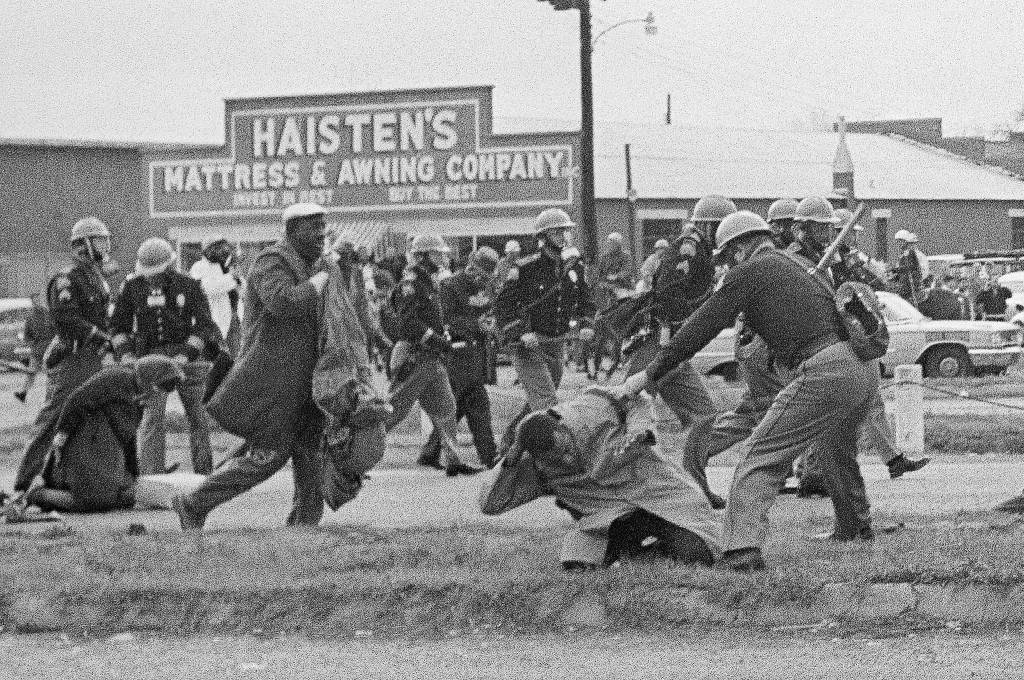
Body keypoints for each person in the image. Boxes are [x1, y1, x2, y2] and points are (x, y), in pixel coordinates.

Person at [613, 208, 883, 572]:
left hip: (824, 370)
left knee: (759, 456)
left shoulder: (749, 272)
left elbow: (698, 329)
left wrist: (648, 374)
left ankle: (741, 551)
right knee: (836, 451)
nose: (725, 265)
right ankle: (854, 526)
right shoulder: (797, 267)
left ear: (741, 247)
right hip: (861, 370)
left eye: (726, 256)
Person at [171, 203, 334, 531]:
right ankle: (194, 502)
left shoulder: (316, 265)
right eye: (312, 228)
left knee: (310, 454)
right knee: (268, 456)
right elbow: (284, 303)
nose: (320, 235)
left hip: (307, 381)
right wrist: (322, 279)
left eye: (323, 228)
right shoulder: (270, 262)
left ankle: (304, 528)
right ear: (290, 231)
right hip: (273, 381)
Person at [479, 387, 721, 570]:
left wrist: (639, 430)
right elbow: (491, 504)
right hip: (606, 521)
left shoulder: (592, 407)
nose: (564, 460)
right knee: (577, 566)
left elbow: (638, 396)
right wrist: (511, 457)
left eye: (564, 449)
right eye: (554, 458)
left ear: (561, 427)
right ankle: (632, 555)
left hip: (654, 494)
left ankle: (650, 552)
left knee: (700, 552)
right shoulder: (534, 464)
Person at [12, 217, 114, 497]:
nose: (106, 245)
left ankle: (70, 478)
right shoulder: (66, 278)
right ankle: (24, 482)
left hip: (93, 358)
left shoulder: (96, 275)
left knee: (89, 418)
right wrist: (98, 336)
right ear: (83, 244)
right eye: (99, 239)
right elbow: (66, 319)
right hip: (72, 357)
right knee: (55, 416)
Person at [10, 356, 185, 515]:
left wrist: (133, 474)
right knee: (93, 502)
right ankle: (38, 495)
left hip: (105, 452)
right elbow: (76, 399)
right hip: (86, 446)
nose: (159, 393)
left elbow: (128, 436)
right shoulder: (118, 377)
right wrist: (62, 434)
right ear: (149, 376)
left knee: (123, 498)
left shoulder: (139, 393)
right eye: (159, 386)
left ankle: (55, 495)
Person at [621, 195, 734, 430]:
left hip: (676, 348)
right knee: (625, 408)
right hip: (660, 342)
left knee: (705, 418)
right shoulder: (689, 249)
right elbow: (669, 294)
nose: (726, 234)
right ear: (707, 225)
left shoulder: (704, 251)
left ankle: (692, 467)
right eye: (721, 227)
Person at [110, 238, 222, 475]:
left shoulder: (189, 286)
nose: (151, 278)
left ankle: (204, 475)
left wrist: (186, 355)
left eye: (157, 273)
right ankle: (152, 475)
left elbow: (205, 327)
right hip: (150, 360)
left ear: (170, 267)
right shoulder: (132, 288)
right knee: (151, 420)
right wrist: (126, 355)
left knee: (198, 418)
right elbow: (118, 327)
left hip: (186, 358)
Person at [494, 208, 594, 453]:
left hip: (555, 344)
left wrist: (587, 324)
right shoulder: (526, 267)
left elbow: (586, 301)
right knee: (547, 402)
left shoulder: (572, 267)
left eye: (565, 231)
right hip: (529, 346)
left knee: (536, 404)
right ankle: (553, 458)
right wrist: (521, 332)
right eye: (557, 231)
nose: (563, 235)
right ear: (544, 235)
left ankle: (508, 446)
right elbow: (504, 306)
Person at [385, 233, 480, 476]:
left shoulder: (429, 281)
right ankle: (351, 457)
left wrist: (443, 336)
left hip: (431, 357)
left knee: (447, 408)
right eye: (437, 253)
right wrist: (436, 339)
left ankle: (454, 461)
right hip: (414, 357)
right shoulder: (412, 282)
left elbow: (430, 318)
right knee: (392, 411)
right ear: (424, 256)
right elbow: (408, 323)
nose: (442, 257)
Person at [421, 247, 501, 469]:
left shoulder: (487, 287)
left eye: (485, 275)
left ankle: (431, 451)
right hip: (458, 353)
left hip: (480, 353)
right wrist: (475, 325)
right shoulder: (450, 286)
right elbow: (446, 319)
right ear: (471, 266)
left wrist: (491, 325)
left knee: (459, 406)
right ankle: (489, 454)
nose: (481, 279)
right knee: (475, 403)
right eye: (479, 273)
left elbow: (492, 311)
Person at [189, 235, 242, 357]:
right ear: (208, 250)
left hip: (234, 317)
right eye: (217, 247)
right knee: (218, 357)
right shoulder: (199, 267)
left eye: (223, 247)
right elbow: (206, 288)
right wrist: (231, 278)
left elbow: (241, 289)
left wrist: (238, 279)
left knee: (236, 357)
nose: (222, 251)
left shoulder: (227, 267)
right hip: (214, 319)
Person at [13, 294, 54, 403]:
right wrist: (32, 343)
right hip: (37, 350)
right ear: (32, 303)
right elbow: (27, 336)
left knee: (50, 374)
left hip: (48, 350)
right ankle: (23, 393)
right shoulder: (30, 318)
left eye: (38, 300)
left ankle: (49, 397)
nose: (37, 303)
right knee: (31, 373)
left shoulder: (48, 315)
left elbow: (55, 330)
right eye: (34, 301)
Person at [892, 229, 926, 305]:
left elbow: (910, 266)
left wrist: (896, 269)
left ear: (905, 241)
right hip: (904, 280)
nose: (898, 244)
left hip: (912, 282)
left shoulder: (909, 252)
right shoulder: (902, 254)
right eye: (897, 242)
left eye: (900, 241)